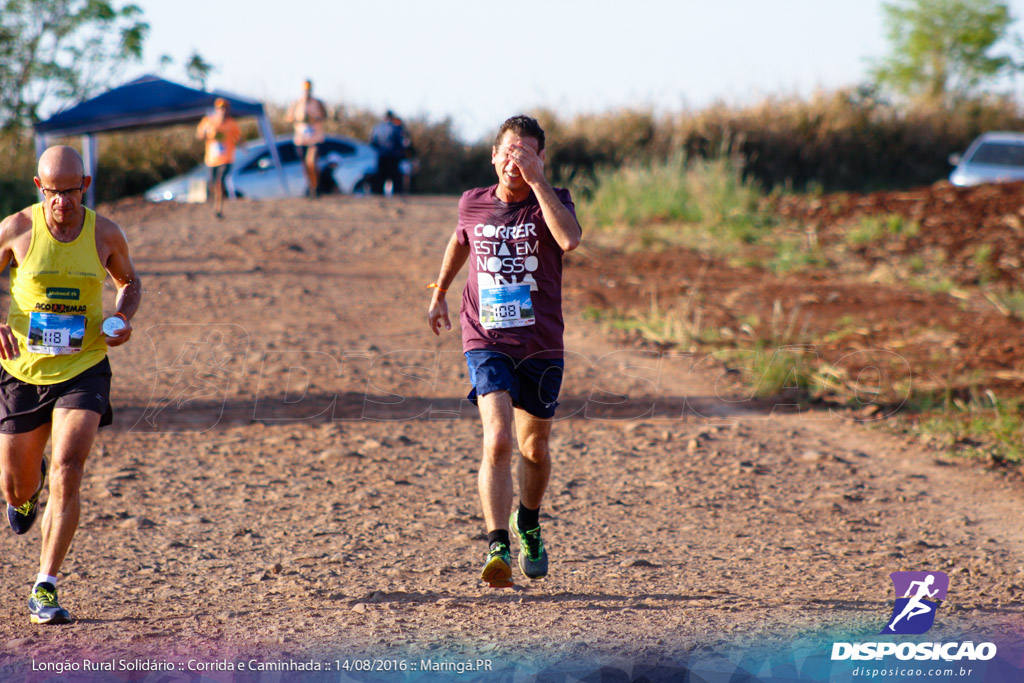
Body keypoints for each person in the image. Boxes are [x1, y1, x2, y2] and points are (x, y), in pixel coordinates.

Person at [427, 115, 581, 588]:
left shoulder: (554, 202)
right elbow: (460, 241)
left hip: (540, 346)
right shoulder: (472, 203)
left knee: (535, 449)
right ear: (494, 156)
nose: (516, 159)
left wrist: (538, 183)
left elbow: (569, 239)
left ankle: (528, 523)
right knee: (497, 440)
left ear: (540, 159)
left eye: (527, 152)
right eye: (510, 151)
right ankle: (497, 547)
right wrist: (439, 292)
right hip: (485, 339)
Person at [0, 145, 141, 624]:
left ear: (85, 185)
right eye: (53, 192)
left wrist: (122, 315)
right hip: (21, 369)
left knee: (68, 466)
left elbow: (129, 281)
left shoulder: (104, 232)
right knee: (16, 487)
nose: (63, 201)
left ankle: (45, 584)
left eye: (72, 190)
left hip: (85, 365)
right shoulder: (16, 229)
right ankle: (26, 486)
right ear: (40, 188)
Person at [195, 98, 242, 219]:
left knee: (219, 183)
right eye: (220, 108)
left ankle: (218, 208)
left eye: (225, 108)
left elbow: (238, 138)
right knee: (213, 185)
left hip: (226, 159)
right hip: (212, 159)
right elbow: (200, 135)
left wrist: (242, 145)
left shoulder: (231, 124)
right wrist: (206, 134)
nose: (222, 111)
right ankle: (216, 203)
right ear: (216, 109)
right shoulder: (208, 121)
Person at [285, 79, 327, 198]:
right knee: (305, 165)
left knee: (311, 162)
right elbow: (288, 118)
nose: (307, 92)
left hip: (315, 138)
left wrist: (314, 119)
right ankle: (311, 187)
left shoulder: (318, 102)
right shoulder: (296, 103)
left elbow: (325, 116)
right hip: (301, 138)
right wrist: (300, 120)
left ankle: (316, 186)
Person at [369, 110, 409, 195]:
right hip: (393, 158)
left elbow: (372, 143)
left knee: (380, 180)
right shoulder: (396, 128)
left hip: (381, 157)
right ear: (392, 117)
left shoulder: (376, 128)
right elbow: (401, 143)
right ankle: (396, 199)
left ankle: (379, 199)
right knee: (396, 181)